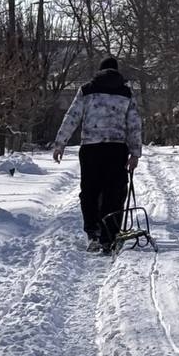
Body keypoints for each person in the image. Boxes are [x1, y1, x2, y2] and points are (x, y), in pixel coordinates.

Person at [53, 56, 143, 252]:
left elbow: (72, 116)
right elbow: (134, 124)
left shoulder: (86, 90)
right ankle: (109, 236)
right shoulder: (126, 92)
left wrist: (60, 143)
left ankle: (93, 233)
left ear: (99, 71)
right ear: (117, 72)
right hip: (116, 148)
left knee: (90, 191)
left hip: (91, 148)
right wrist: (135, 154)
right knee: (115, 191)